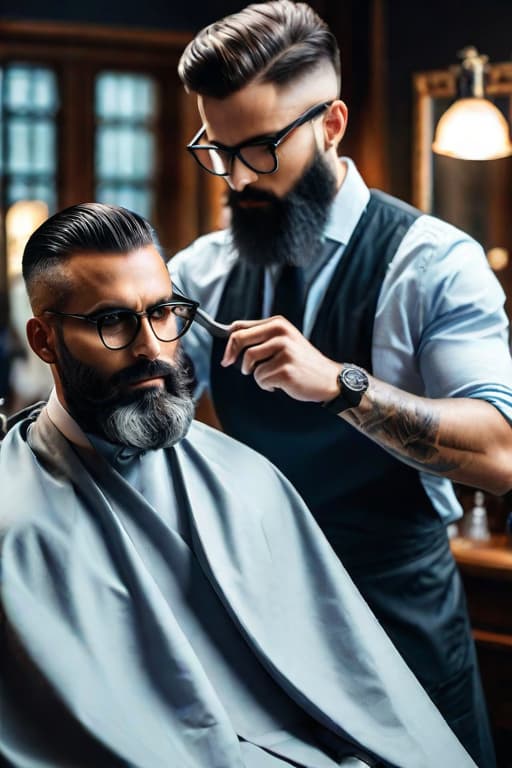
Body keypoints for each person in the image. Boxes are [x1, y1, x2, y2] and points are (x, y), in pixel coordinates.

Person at [0, 202, 477, 768]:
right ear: (44, 341)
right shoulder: (15, 526)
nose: (152, 347)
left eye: (163, 312)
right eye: (112, 322)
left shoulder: (248, 482)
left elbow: (359, 706)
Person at [171, 3, 512, 767]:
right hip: (261, 619)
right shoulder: (200, 272)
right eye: (216, 150)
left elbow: (500, 450)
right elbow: (151, 401)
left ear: (331, 125)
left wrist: (342, 386)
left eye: (260, 149)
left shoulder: (435, 265)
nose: (235, 178)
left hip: (398, 618)